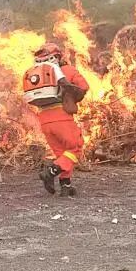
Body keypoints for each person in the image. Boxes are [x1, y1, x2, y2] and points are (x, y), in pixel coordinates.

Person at [28, 43, 89, 197]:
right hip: (61, 117)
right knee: (75, 149)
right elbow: (84, 86)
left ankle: (66, 186)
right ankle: (50, 172)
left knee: (62, 154)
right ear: (58, 56)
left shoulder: (36, 73)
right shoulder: (67, 70)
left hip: (44, 119)